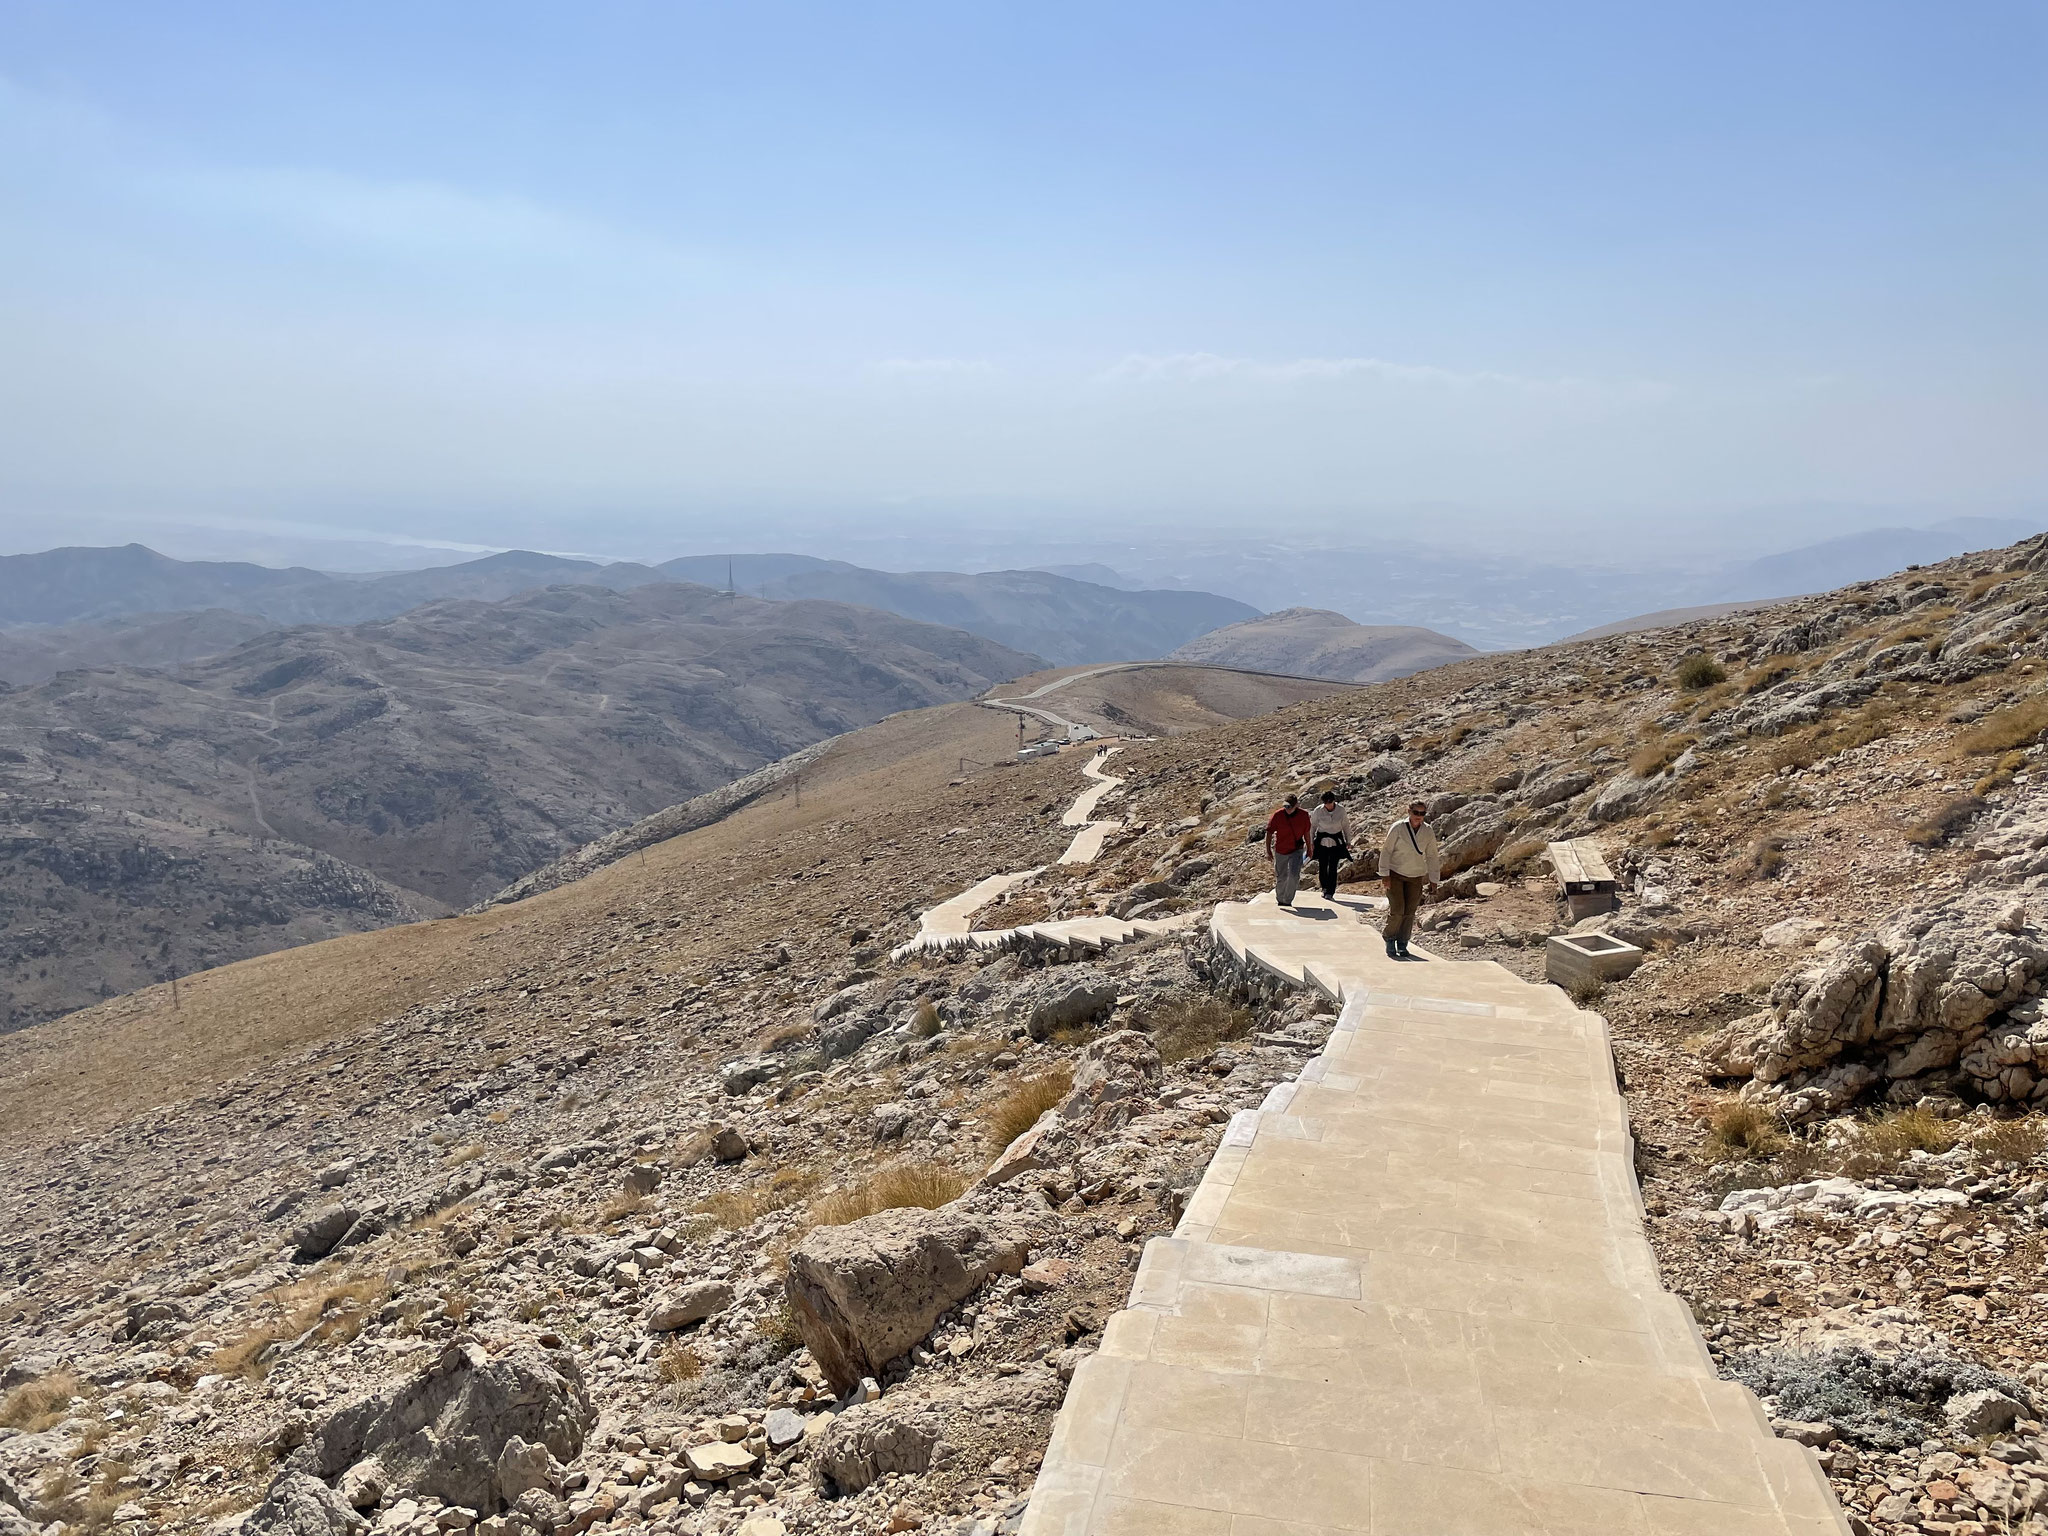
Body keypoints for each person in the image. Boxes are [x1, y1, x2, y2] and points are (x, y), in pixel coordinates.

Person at [1379, 798, 1441, 959]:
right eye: (1416, 813)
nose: (1418, 816)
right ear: (1409, 812)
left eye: (1422, 813)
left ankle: (1403, 942)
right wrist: (1384, 874)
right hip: (1395, 874)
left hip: (1416, 876)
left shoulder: (1427, 831)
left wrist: (1434, 879)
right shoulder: (1398, 828)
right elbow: (1386, 851)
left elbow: (1432, 855)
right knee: (1397, 910)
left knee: (1409, 911)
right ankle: (1390, 938)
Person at [1264, 793, 1313, 907]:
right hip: (1281, 850)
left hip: (1297, 849)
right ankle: (1280, 898)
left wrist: (1309, 848)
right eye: (1285, 806)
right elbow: (1269, 832)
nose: (1287, 809)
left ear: (1296, 805)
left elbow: (1306, 832)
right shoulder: (1278, 815)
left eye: (1289, 807)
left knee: (1294, 875)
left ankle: (1287, 901)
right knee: (1282, 877)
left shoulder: (1304, 815)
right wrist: (1268, 850)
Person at [1308, 789, 1352, 900]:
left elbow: (1346, 826)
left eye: (1330, 803)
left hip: (1336, 841)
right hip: (1322, 841)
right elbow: (1312, 827)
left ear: (1333, 801)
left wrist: (1348, 841)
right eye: (1326, 803)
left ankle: (1331, 891)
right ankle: (1324, 888)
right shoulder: (1318, 811)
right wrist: (1311, 842)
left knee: (1333, 866)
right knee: (1323, 866)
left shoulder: (1341, 810)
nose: (1328, 805)